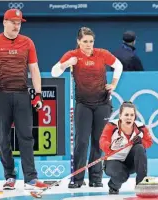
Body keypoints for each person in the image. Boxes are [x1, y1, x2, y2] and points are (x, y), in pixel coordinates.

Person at [0, 9, 48, 190]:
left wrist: (38, 94)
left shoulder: (28, 43)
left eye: (19, 23)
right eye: (13, 22)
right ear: (5, 22)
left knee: (26, 137)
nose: (17, 26)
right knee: (3, 138)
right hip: (0, 96)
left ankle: (31, 178)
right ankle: (10, 176)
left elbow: (34, 69)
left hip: (21, 95)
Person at [51, 27, 123, 188]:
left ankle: (96, 178)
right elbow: (54, 72)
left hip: (103, 103)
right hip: (83, 104)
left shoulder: (102, 53)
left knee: (98, 142)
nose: (88, 45)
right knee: (81, 141)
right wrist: (66, 64)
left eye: (91, 41)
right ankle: (77, 179)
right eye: (85, 41)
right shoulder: (72, 55)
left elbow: (118, 65)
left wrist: (113, 84)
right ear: (78, 42)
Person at [99, 101, 153, 194]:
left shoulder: (141, 127)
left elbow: (149, 142)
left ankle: (141, 186)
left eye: (132, 115)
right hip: (113, 161)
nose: (129, 117)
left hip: (130, 162)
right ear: (120, 116)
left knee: (140, 147)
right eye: (126, 114)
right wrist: (110, 146)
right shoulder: (111, 126)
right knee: (122, 175)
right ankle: (113, 186)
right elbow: (102, 142)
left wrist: (141, 142)